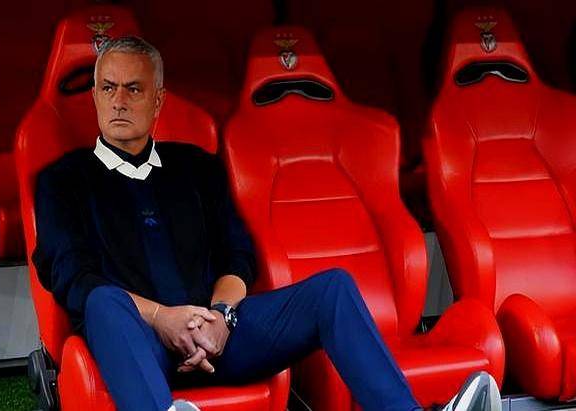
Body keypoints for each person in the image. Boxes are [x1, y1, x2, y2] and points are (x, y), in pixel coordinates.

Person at [33, 36, 501, 411]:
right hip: (138, 342)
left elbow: (237, 255)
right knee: (103, 301)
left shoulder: (196, 167)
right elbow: (74, 280)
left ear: (158, 101)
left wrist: (220, 318)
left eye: (133, 89)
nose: (118, 101)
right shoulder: (61, 181)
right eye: (108, 88)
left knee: (333, 288)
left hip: (216, 336)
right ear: (94, 96)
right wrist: (163, 318)